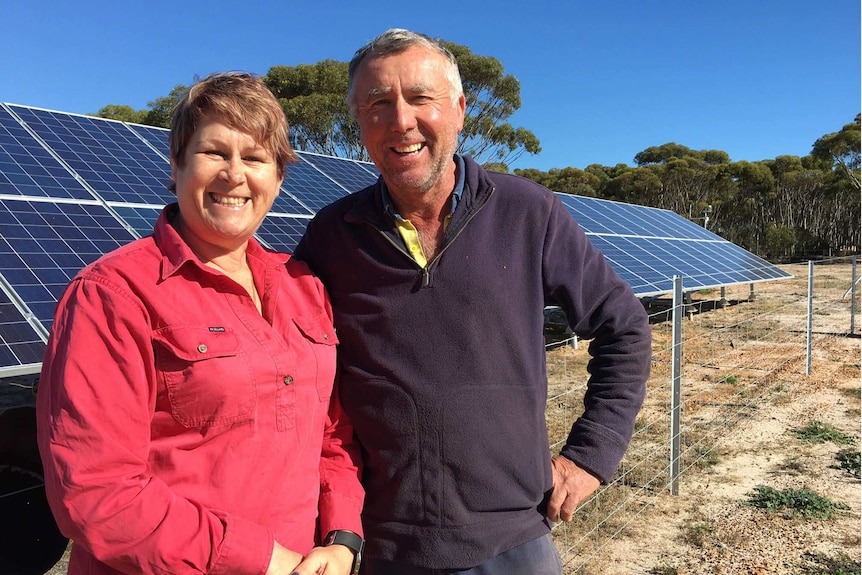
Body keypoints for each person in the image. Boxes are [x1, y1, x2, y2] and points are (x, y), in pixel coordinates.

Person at [293, 29, 652, 574]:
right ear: (360, 124)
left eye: (420, 98)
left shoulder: (528, 212)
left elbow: (623, 327)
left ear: (460, 111)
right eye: (378, 104)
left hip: (514, 538)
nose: (401, 121)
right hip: (383, 548)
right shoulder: (331, 235)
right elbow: (294, 374)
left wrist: (590, 457)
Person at [36, 72, 365, 575]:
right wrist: (260, 559)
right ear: (177, 164)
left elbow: (332, 435)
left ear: (277, 179)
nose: (235, 174)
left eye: (255, 158)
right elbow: (95, 491)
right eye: (214, 152)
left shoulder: (306, 288)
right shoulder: (112, 294)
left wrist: (342, 539)